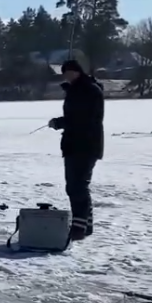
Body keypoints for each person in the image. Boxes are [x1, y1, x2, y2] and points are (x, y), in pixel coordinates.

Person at [48, 59, 105, 242]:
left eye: (69, 72)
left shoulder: (89, 90)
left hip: (85, 144)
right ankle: (85, 226)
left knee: (77, 186)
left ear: (78, 72)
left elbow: (83, 118)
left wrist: (59, 122)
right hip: (74, 144)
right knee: (75, 186)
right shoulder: (78, 90)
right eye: (64, 73)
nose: (67, 76)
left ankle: (79, 228)